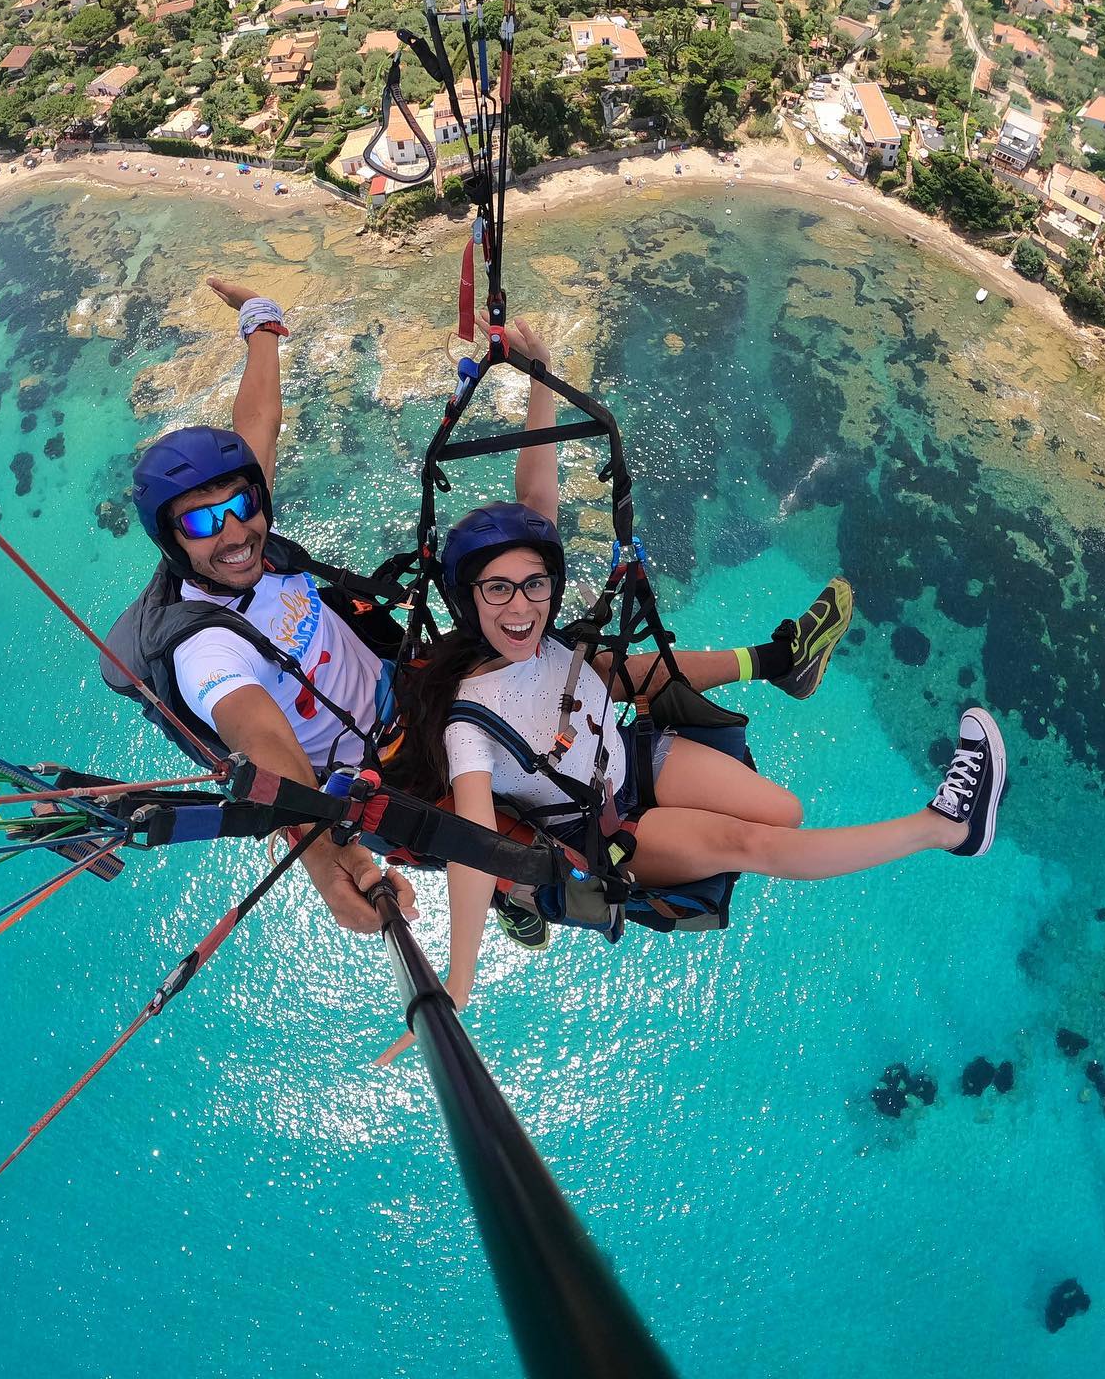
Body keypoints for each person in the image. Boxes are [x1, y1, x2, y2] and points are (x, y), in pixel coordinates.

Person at [102, 285, 857, 936]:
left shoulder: (245, 536)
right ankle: (518, 899)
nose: (232, 534)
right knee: (501, 842)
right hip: (374, 773)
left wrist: (262, 323)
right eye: (202, 524)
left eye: (239, 507)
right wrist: (335, 871)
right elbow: (266, 745)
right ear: (170, 540)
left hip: (412, 685)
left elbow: (256, 425)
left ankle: (777, 663)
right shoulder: (207, 649)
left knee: (582, 671)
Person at [374, 338, 1006, 1064]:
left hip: (636, 760)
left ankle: (779, 671)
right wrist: (459, 977)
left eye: (535, 584)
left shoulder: (538, 635)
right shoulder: (466, 725)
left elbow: (536, 499)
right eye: (497, 590)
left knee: (786, 810)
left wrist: (540, 375)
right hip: (608, 829)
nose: (522, 607)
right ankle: (949, 827)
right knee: (758, 842)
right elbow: (473, 848)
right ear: (467, 597)